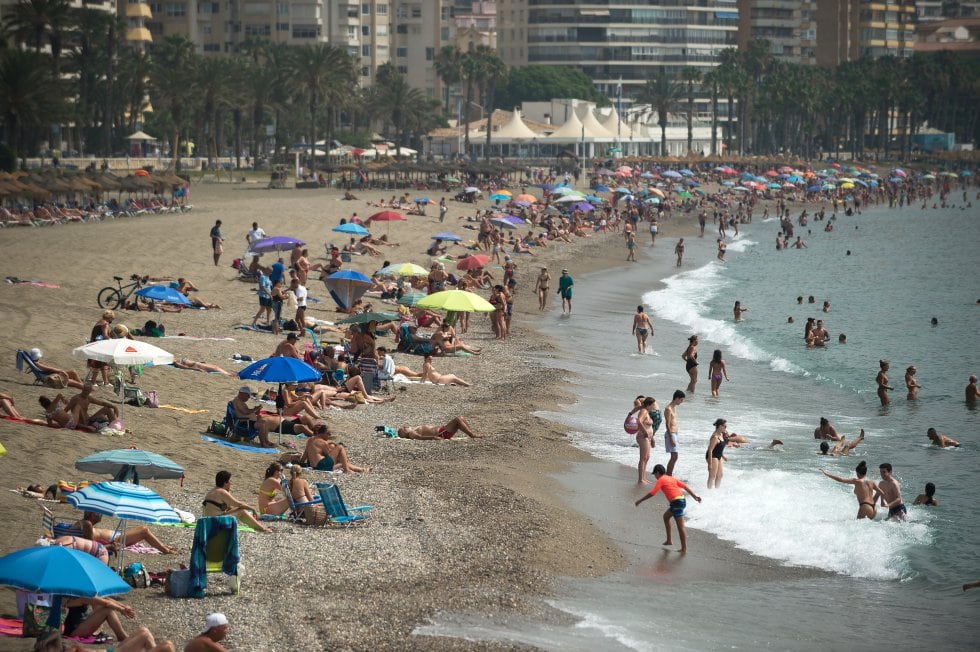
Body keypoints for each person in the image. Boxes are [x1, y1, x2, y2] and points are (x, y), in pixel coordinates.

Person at [634, 464, 702, 553]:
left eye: (655, 474)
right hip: (681, 500)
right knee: (666, 517)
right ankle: (669, 540)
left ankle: (684, 549)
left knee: (680, 527)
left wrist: (640, 500)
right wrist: (695, 497)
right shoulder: (670, 478)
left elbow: (652, 493)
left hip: (676, 503)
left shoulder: (661, 480)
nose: (655, 476)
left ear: (658, 473)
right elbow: (685, 487)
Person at [74, 511, 177, 554]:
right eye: (98, 513)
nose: (101, 515)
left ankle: (163, 546)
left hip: (117, 535)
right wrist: (109, 545)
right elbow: (92, 545)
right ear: (92, 514)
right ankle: (165, 550)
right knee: (144, 530)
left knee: (142, 531)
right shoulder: (87, 524)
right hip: (116, 540)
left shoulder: (83, 523)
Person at [202, 471, 272, 533]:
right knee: (242, 511)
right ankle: (262, 529)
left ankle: (259, 527)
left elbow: (230, 507)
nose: (231, 483)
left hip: (206, 522)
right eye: (229, 481)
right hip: (215, 522)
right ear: (225, 483)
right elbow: (239, 504)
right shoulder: (222, 492)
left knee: (238, 510)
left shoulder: (212, 491)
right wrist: (252, 508)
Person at [300, 423, 369, 472]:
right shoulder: (322, 442)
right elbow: (328, 454)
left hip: (315, 466)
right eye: (328, 434)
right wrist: (333, 446)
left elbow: (305, 454)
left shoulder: (310, 440)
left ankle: (362, 469)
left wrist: (300, 463)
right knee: (340, 447)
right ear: (322, 433)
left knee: (342, 463)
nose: (329, 436)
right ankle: (347, 470)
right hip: (322, 465)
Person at [86, 310, 114, 385]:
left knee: (102, 364)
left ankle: (106, 382)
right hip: (100, 346)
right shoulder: (105, 324)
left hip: (95, 344)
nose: (112, 320)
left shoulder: (99, 322)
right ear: (110, 317)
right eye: (112, 318)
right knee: (99, 364)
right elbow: (105, 335)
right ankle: (94, 382)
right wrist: (112, 341)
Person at [397, 416, 482, 440]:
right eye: (404, 429)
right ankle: (472, 435)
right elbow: (420, 437)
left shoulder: (412, 430)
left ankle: (471, 433)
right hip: (441, 433)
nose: (405, 427)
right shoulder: (411, 434)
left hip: (443, 430)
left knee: (461, 418)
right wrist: (433, 437)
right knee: (458, 419)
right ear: (405, 434)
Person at [634, 397, 657, 484]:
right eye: (653, 404)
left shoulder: (647, 412)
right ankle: (640, 479)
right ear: (649, 405)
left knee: (647, 457)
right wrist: (645, 432)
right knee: (643, 458)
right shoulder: (643, 411)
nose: (654, 406)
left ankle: (643, 477)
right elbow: (639, 421)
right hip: (643, 437)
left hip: (648, 437)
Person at [662, 390, 685, 476]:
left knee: (675, 456)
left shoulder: (674, 407)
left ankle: (669, 475)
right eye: (681, 400)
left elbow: (674, 422)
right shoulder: (668, 409)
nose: (681, 402)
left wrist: (676, 437)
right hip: (670, 434)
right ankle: (668, 475)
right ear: (676, 398)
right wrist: (671, 437)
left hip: (674, 433)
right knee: (674, 456)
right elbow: (667, 424)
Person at [705, 418, 730, 488]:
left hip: (719, 456)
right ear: (720, 426)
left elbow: (718, 447)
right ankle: (709, 492)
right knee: (712, 475)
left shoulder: (721, 435)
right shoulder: (715, 437)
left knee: (720, 475)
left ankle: (716, 491)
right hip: (712, 456)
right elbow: (710, 450)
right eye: (724, 426)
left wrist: (723, 456)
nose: (726, 428)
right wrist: (709, 464)